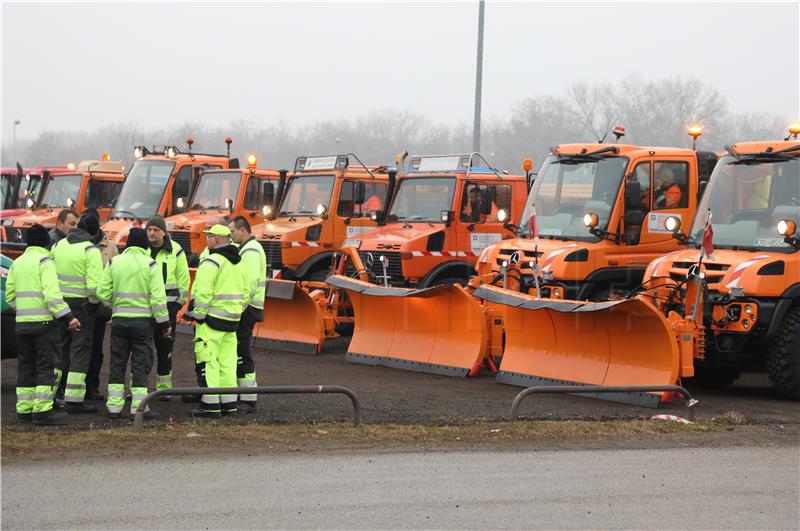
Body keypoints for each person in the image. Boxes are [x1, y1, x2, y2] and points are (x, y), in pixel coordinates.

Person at [6, 224, 80, 425]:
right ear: (46, 242)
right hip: (44, 325)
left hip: (22, 324)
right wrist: (68, 317)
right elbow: (52, 296)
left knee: (26, 366)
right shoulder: (44, 262)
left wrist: (23, 309)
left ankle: (24, 410)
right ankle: (42, 411)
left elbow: (10, 295)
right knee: (47, 367)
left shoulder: (17, 263)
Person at [97, 228, 169, 420]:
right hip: (143, 324)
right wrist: (164, 322)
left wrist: (116, 305)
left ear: (128, 244)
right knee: (140, 364)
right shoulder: (151, 264)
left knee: (117, 363)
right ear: (144, 244)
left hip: (119, 321)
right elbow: (158, 299)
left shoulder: (114, 262)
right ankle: (138, 408)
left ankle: (113, 407)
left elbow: (102, 293)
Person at [185, 224, 248, 418]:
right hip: (232, 321)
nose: (207, 239)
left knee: (208, 362)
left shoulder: (212, 261)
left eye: (209, 236)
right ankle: (229, 405)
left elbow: (203, 292)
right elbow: (246, 292)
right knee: (228, 364)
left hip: (211, 322)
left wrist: (199, 315)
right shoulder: (239, 262)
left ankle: (211, 407)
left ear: (218, 239)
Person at [51, 212, 104, 413]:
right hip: (81, 307)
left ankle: (53, 395)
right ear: (94, 232)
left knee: (59, 348)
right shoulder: (90, 250)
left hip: (59, 306)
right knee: (80, 349)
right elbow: (93, 288)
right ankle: (74, 400)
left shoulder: (59, 245)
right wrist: (92, 305)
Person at [146, 215, 190, 395]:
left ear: (164, 232)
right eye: (149, 229)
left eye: (155, 230)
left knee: (165, 349)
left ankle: (163, 389)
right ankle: (138, 388)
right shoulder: (141, 250)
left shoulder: (176, 251)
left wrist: (176, 306)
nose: (151, 233)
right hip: (145, 308)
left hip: (168, 308)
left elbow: (184, 280)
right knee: (142, 350)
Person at [228, 216, 266, 413]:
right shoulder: (250, 248)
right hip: (251, 308)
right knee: (240, 352)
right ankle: (244, 395)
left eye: (232, 231)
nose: (230, 235)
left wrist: (238, 308)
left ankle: (249, 399)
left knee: (242, 352)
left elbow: (249, 284)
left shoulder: (250, 251)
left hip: (247, 309)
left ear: (243, 230)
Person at [85, 213, 119, 401]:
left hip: (99, 310)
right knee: (79, 348)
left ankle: (92, 387)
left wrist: (108, 304)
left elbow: (117, 275)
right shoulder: (79, 245)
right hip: (82, 307)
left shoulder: (110, 247)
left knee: (96, 349)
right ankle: (75, 388)